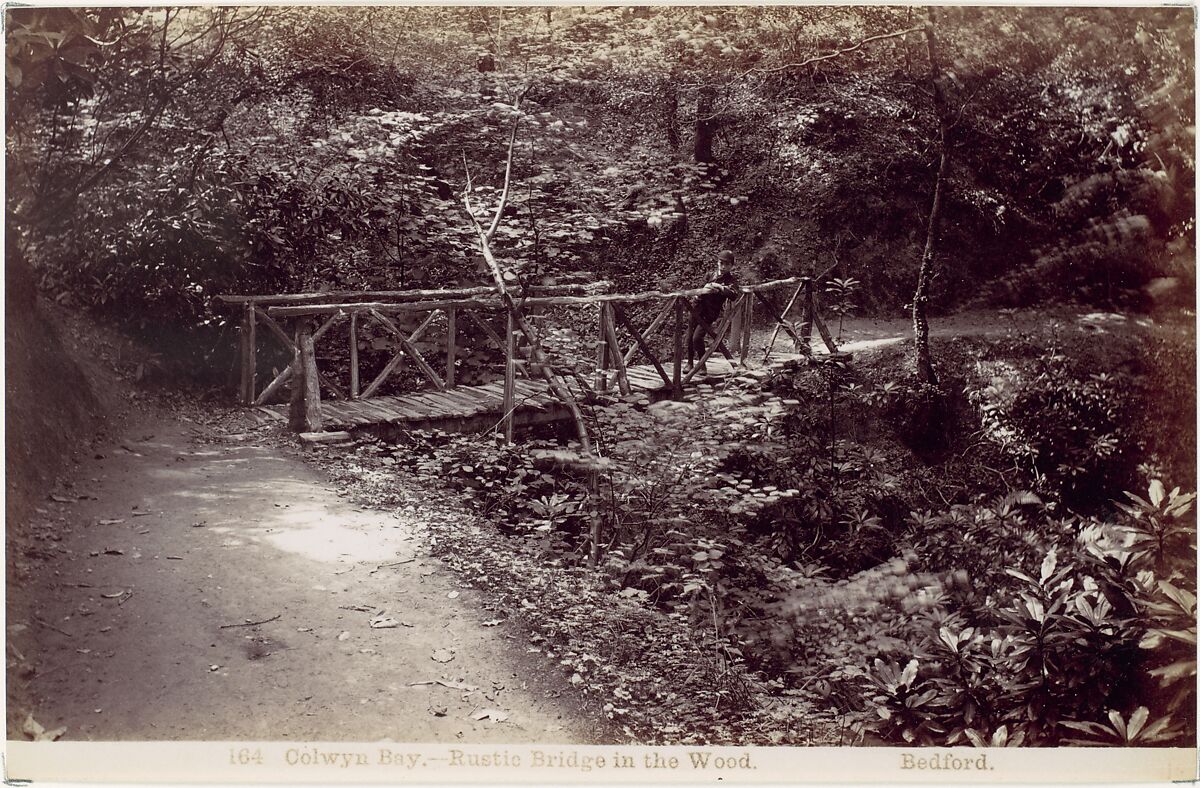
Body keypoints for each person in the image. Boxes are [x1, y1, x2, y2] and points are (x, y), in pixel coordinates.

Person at [689, 250, 739, 373]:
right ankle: (689, 363)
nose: (723, 267)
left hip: (709, 313)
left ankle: (701, 365)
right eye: (721, 263)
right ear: (717, 262)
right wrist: (704, 289)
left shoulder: (730, 280)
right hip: (696, 308)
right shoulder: (709, 275)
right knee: (689, 338)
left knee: (697, 338)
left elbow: (733, 295)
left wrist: (720, 287)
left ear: (731, 266)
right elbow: (699, 289)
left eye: (727, 264)